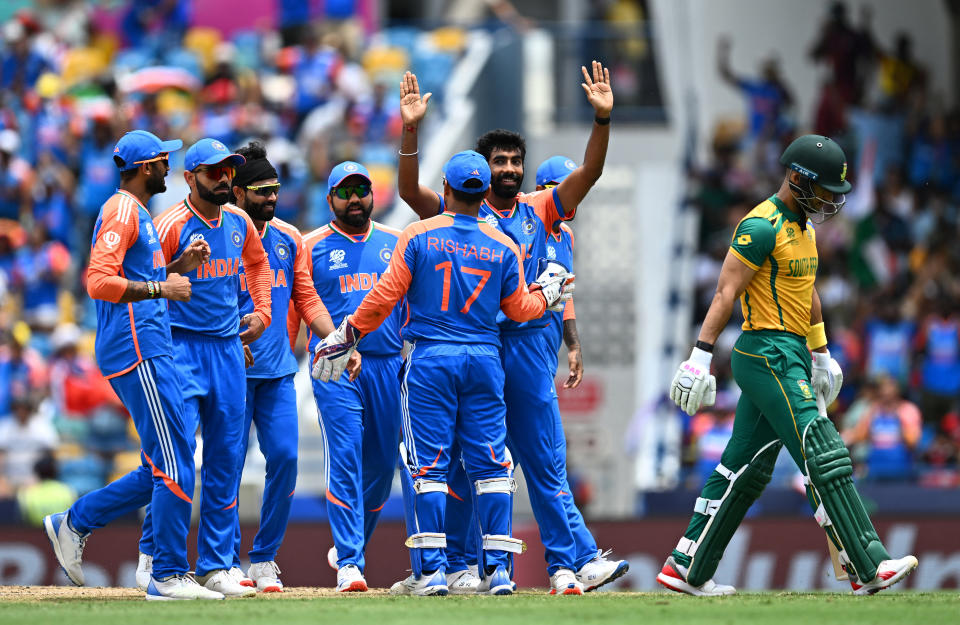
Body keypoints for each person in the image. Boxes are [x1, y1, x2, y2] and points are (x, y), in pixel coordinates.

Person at [396, 65, 627, 594]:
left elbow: (588, 174)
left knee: (541, 456)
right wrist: (411, 129)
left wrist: (603, 118)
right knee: (455, 464)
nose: (508, 168)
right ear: (482, 168)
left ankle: (571, 562)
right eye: (498, 161)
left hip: (521, 348)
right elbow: (408, 188)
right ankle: (455, 566)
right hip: (472, 347)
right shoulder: (459, 211)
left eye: (515, 161)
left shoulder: (539, 210)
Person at [658, 134, 918, 596]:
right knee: (822, 450)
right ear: (797, 178)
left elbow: (808, 292)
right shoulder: (760, 226)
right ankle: (869, 564)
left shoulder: (805, 229)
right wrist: (700, 355)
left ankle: (687, 566)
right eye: (824, 190)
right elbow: (725, 291)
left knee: (746, 468)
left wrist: (821, 353)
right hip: (765, 352)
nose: (830, 201)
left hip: (792, 352)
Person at [313, 150, 571, 596]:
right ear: (484, 192)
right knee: (491, 464)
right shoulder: (504, 245)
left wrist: (348, 332)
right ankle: (499, 573)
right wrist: (546, 296)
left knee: (427, 465)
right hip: (487, 360)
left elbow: (384, 297)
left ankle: (431, 573)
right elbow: (521, 310)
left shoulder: (418, 234)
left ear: (446, 190)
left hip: (431, 359)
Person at [42, 130, 223, 600]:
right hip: (138, 347)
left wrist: (177, 264)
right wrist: (165, 289)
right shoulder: (122, 209)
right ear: (147, 168)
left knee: (162, 461)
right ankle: (166, 573)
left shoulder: (135, 212)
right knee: (176, 459)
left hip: (147, 344)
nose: (169, 168)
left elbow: (138, 275)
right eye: (165, 160)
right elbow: (99, 281)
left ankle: (74, 522)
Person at [137, 138, 273, 598]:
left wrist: (261, 313)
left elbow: (257, 266)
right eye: (214, 172)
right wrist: (180, 265)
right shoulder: (169, 223)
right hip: (180, 347)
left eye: (229, 172)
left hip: (228, 349)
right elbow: (151, 286)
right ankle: (161, 561)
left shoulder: (238, 221)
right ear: (190, 177)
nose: (224, 179)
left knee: (225, 459)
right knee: (177, 460)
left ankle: (217, 565)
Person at [230, 141, 339, 592]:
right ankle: (223, 560)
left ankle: (263, 559)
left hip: (276, 374)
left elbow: (306, 296)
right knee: (227, 467)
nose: (270, 198)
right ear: (238, 193)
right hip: (231, 373)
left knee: (286, 459)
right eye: (260, 191)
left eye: (274, 189)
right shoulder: (222, 236)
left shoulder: (290, 238)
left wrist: (335, 341)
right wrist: (228, 341)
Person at [297, 161, 404, 593]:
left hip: (387, 364)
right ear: (330, 200)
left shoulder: (398, 242)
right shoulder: (310, 245)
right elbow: (299, 302)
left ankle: (350, 543)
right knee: (344, 455)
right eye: (345, 192)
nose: (355, 197)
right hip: (335, 365)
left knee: (382, 466)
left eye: (361, 189)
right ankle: (350, 564)